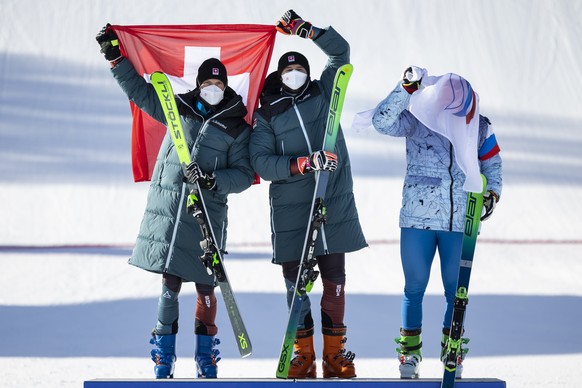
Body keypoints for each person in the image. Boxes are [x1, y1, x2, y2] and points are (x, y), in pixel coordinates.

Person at [95, 24, 255, 379]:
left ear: (226, 86)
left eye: (218, 84)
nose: (212, 89)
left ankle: (205, 356)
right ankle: (163, 356)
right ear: (198, 85)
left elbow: (244, 174)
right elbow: (139, 91)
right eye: (206, 83)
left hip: (206, 215)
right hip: (171, 211)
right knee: (169, 285)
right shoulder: (176, 109)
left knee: (207, 287)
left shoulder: (237, 128)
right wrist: (115, 58)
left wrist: (214, 180)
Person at [250, 10, 367, 379]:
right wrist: (303, 163)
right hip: (291, 208)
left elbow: (341, 54)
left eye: (299, 69)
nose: (294, 76)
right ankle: (302, 353)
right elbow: (262, 162)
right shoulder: (268, 113)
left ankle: (335, 355)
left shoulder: (323, 92)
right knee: (295, 282)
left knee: (335, 278)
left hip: (331, 199)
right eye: (288, 72)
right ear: (280, 77)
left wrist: (307, 31)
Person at [372, 66, 503, 379]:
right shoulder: (418, 122)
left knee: (455, 291)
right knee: (414, 288)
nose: (452, 109)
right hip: (418, 220)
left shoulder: (479, 126)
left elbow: (493, 166)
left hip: (459, 223)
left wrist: (491, 195)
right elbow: (381, 121)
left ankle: (452, 350)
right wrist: (405, 89)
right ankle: (409, 354)